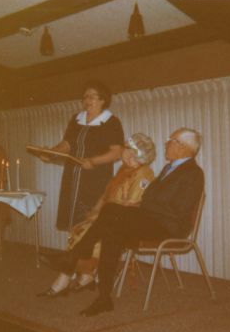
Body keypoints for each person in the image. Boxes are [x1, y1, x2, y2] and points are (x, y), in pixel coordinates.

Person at [49, 128, 204, 317]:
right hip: (153, 220)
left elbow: (178, 210)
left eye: (171, 140)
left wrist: (145, 205)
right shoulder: (169, 168)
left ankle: (75, 255)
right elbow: (151, 197)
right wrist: (143, 204)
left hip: (169, 227)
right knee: (111, 229)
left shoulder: (194, 173)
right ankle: (104, 297)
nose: (166, 143)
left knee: (111, 211)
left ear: (184, 147)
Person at [38, 133, 156, 298]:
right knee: (80, 228)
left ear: (134, 153)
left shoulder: (144, 173)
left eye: (126, 148)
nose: (123, 150)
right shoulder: (124, 169)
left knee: (87, 234)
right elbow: (106, 195)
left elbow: (130, 206)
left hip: (125, 224)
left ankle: (63, 280)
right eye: (125, 148)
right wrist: (94, 212)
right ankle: (86, 276)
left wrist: (100, 217)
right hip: (110, 218)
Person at [42, 81, 124, 232]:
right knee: (72, 222)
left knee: (91, 223)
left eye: (92, 96)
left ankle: (88, 248)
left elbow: (117, 152)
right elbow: (67, 144)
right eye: (85, 96)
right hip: (72, 177)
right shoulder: (76, 120)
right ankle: (73, 247)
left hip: (95, 178)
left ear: (102, 100)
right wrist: (52, 153)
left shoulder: (111, 122)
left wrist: (93, 161)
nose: (87, 100)